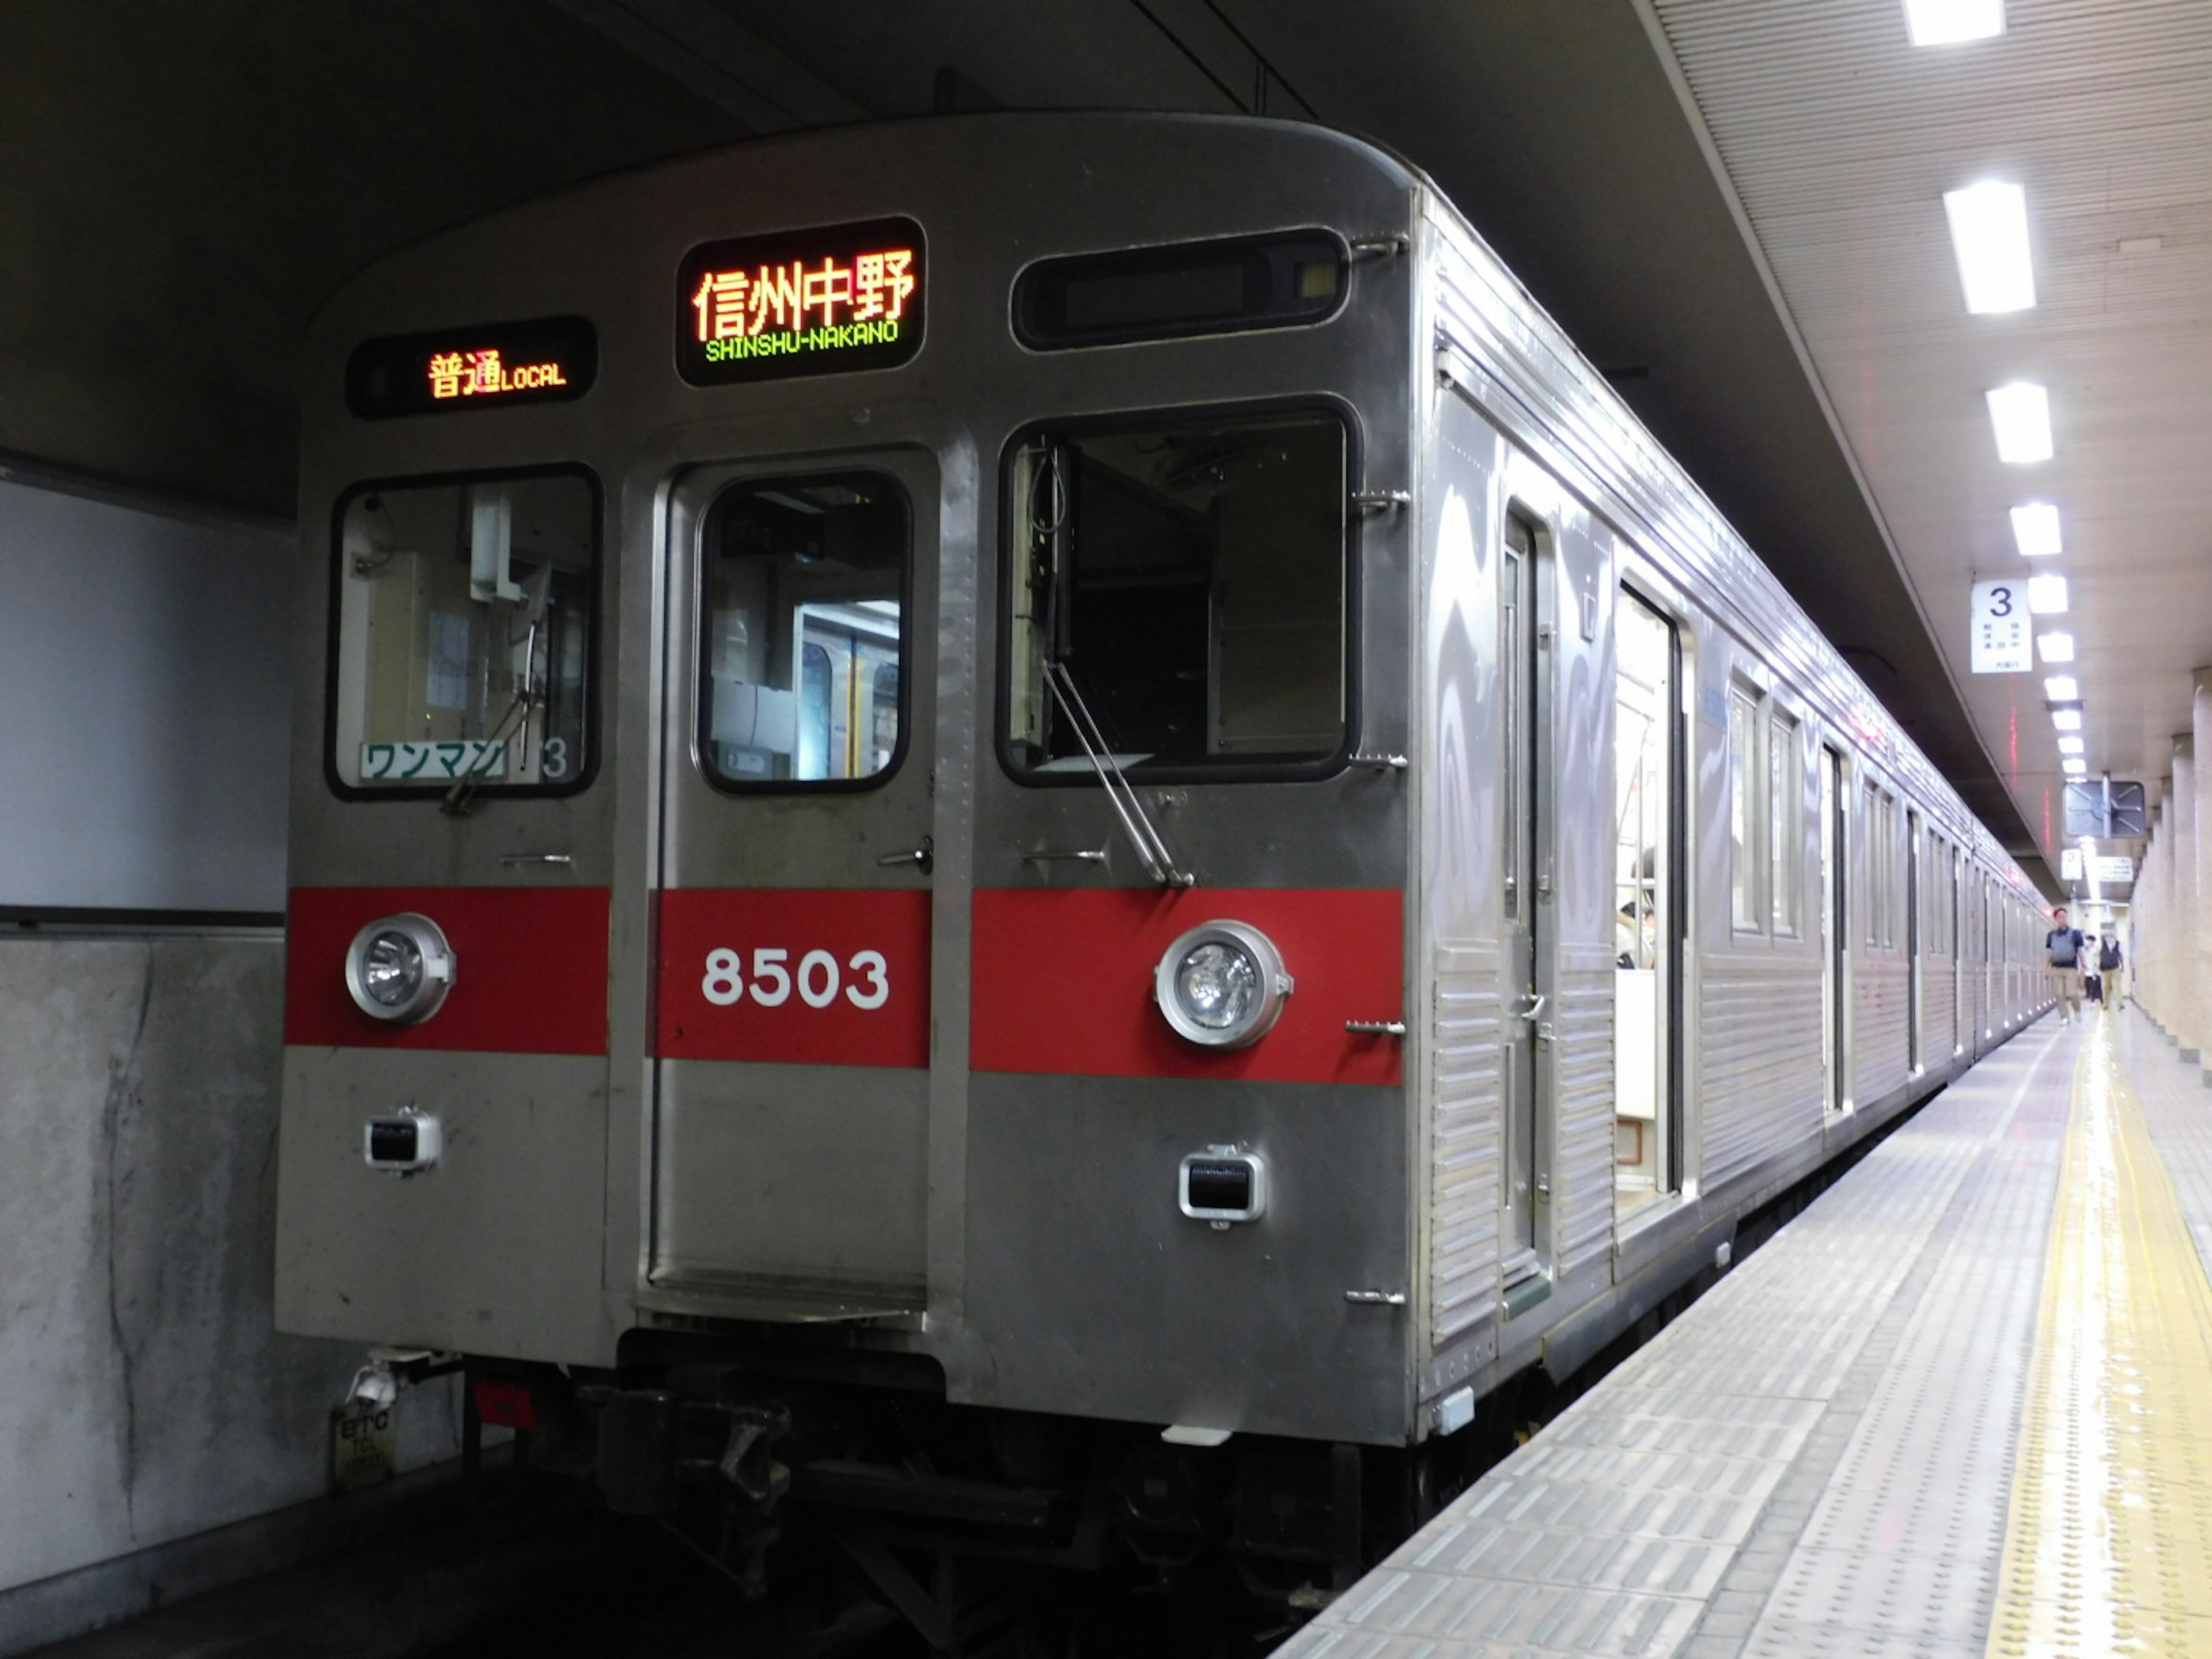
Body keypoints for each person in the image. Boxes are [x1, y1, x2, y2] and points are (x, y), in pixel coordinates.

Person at [2045, 907, 2086, 1025]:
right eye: (2060, 917)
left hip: (2071, 968)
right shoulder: (2051, 935)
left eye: (2065, 916)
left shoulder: (2075, 934)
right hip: (2056, 968)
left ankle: (2077, 1010)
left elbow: (2080, 951)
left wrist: (2083, 965)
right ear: (2056, 919)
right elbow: (2049, 953)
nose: (2063, 919)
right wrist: (2046, 968)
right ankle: (2064, 1017)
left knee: (2072, 993)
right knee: (2059, 994)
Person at [2097, 930, 2126, 1012]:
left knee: (2117, 986)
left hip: (2115, 968)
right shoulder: (2102, 944)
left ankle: (2120, 1004)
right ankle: (2106, 1004)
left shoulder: (2118, 944)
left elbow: (2121, 955)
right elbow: (2098, 954)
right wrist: (2097, 964)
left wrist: (2122, 965)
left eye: (2112, 935)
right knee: (2106, 987)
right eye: (2108, 935)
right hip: (2104, 968)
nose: (2110, 937)